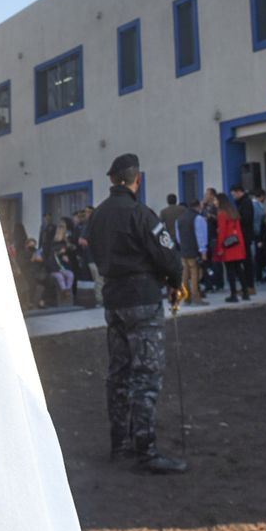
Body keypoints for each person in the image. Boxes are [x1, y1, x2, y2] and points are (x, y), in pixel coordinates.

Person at [86, 153, 186, 475]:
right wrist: (176, 282)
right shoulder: (141, 214)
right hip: (142, 299)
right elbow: (168, 255)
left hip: (113, 300)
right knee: (145, 375)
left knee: (119, 373)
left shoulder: (97, 216)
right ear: (136, 180)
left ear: (112, 180)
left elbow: (92, 252)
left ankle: (121, 444)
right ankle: (147, 451)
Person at [215, 192, 250, 302]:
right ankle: (245, 292)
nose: (214, 202)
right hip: (236, 244)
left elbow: (222, 232)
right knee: (239, 269)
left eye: (216, 200)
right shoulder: (233, 213)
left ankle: (233, 294)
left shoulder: (221, 214)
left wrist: (220, 247)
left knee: (230, 271)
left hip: (228, 246)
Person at [175, 199, 209, 305]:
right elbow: (201, 236)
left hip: (184, 250)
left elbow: (178, 238)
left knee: (185, 274)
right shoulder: (198, 218)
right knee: (195, 274)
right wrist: (203, 251)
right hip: (194, 250)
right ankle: (196, 296)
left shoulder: (179, 219)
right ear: (198, 206)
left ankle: (186, 297)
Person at [229, 185, 257, 284]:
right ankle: (247, 284)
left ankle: (249, 285)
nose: (233, 197)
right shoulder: (241, 203)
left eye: (234, 194)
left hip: (245, 235)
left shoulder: (245, 203)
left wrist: (235, 220)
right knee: (244, 260)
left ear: (238, 192)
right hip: (242, 234)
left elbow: (246, 219)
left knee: (246, 261)